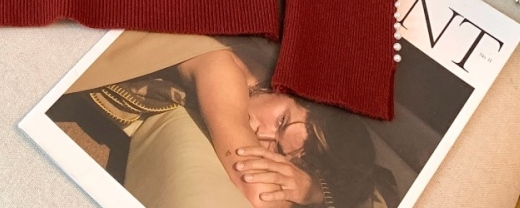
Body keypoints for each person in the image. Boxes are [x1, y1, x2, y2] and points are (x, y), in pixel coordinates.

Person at [66, 31, 398, 208]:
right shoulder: (224, 67)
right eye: (281, 122)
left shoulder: (261, 67)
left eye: (276, 151)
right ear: (292, 90)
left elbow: (379, 188)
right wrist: (313, 192)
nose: (260, 133)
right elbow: (258, 193)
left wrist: (317, 189)